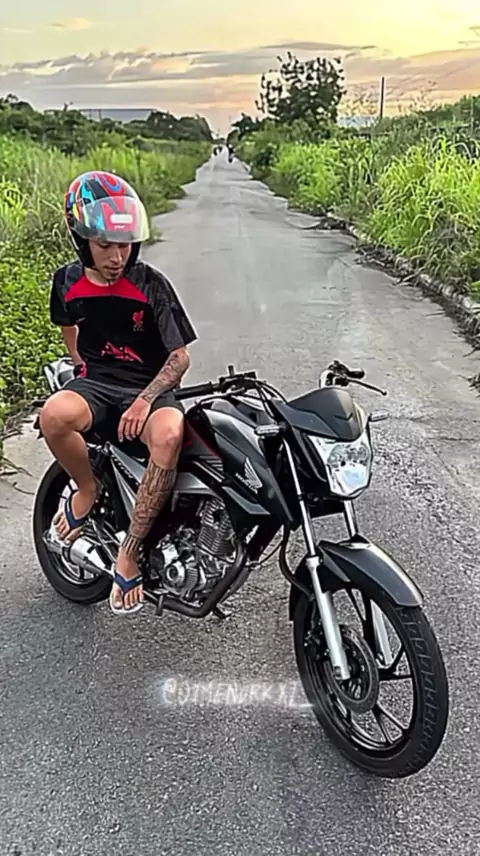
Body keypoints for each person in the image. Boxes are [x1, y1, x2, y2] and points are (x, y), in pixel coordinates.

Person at [40, 170, 197, 616]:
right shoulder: (66, 282)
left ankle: (129, 551)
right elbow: (69, 328)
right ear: (82, 240)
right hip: (97, 384)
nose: (117, 256)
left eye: (125, 244)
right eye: (105, 245)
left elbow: (179, 357)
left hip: (149, 388)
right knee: (54, 414)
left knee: (170, 435)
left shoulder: (151, 284)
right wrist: (81, 368)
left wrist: (145, 399)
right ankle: (87, 488)